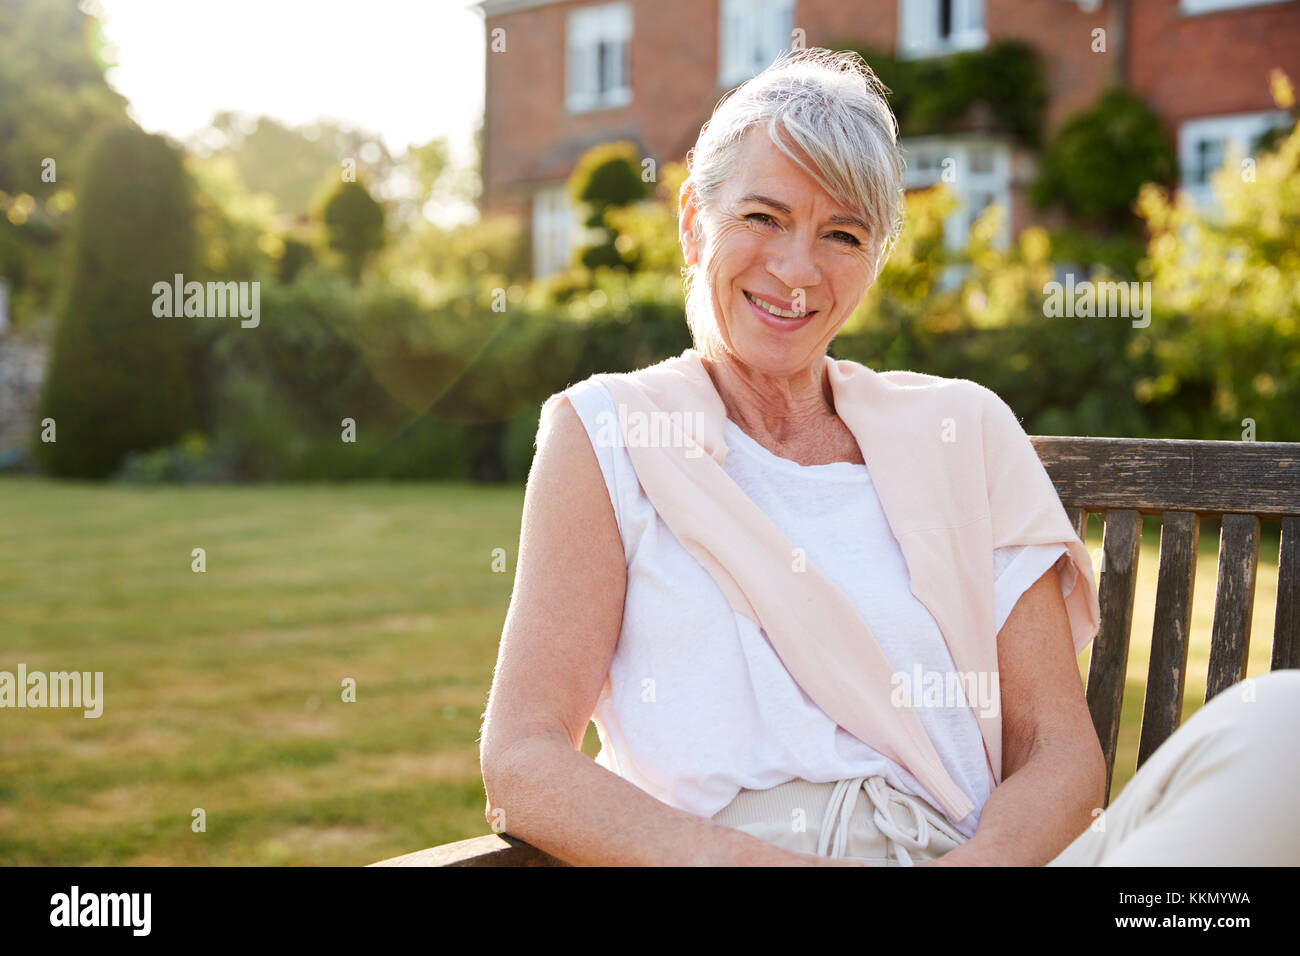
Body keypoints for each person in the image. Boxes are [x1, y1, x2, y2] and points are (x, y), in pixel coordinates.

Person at [477, 47, 1300, 866]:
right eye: (763, 217)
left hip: (966, 857)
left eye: (842, 234)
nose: (797, 269)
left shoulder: (961, 428)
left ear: (873, 260)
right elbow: (523, 761)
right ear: (694, 220)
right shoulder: (608, 434)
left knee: (1284, 730)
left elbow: (1058, 752)